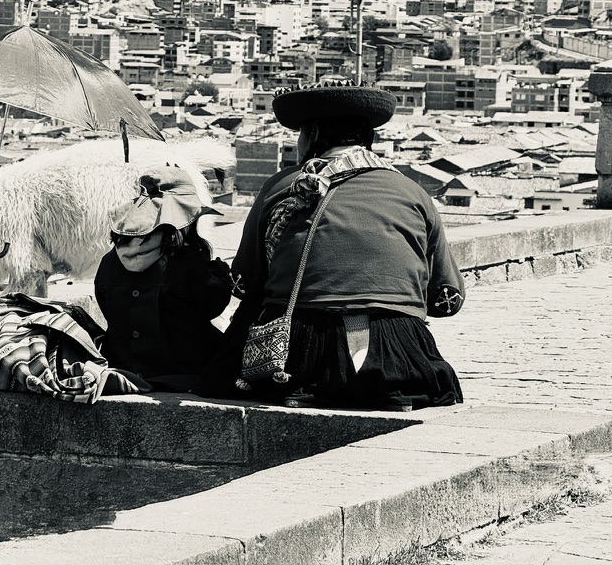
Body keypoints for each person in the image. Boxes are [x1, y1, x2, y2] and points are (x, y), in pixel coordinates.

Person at [199, 82, 465, 411]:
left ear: (313, 135)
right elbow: (447, 299)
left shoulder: (282, 185)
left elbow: (245, 282)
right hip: (401, 359)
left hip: (295, 356)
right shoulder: (413, 192)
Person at [94, 167, 233, 391]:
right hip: (182, 375)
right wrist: (221, 274)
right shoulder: (186, 262)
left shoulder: (109, 261)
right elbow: (212, 305)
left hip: (123, 369)